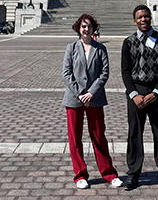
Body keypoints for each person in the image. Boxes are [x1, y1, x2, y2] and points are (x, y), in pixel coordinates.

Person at [62, 14, 122, 190]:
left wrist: (91, 93)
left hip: (94, 99)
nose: (86, 29)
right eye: (83, 26)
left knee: (98, 137)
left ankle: (109, 174)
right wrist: (81, 93)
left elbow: (104, 73)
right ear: (78, 28)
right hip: (74, 98)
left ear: (93, 28)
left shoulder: (100, 48)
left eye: (88, 26)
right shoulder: (71, 48)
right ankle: (80, 175)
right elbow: (66, 73)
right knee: (75, 139)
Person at [121, 5, 158, 193]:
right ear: (134, 20)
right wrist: (134, 94)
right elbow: (125, 71)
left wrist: (157, 92)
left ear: (150, 18)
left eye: (146, 16)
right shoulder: (128, 42)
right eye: (139, 17)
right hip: (136, 91)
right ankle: (133, 173)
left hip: (157, 93)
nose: (143, 20)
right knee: (134, 134)